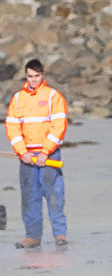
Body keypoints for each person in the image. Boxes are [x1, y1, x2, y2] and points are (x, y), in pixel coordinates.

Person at [5, 59, 68, 248]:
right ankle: (32, 236)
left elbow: (59, 126)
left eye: (37, 76)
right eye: (30, 76)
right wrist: (22, 152)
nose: (33, 80)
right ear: (26, 76)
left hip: (49, 156)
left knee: (54, 195)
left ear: (43, 76)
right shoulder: (18, 98)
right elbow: (12, 127)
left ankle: (60, 235)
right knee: (29, 196)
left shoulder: (53, 96)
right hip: (27, 158)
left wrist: (46, 152)